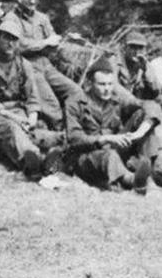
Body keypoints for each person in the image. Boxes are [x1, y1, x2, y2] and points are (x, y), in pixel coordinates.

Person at [0, 14, 63, 179]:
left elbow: (32, 98)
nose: (10, 43)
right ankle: (33, 162)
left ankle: (52, 159)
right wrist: (15, 118)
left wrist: (31, 117)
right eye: (6, 38)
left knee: (37, 131)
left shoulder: (24, 65)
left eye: (15, 39)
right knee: (12, 129)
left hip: (19, 112)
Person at [63, 63, 153, 193]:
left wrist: (139, 133)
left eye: (110, 84)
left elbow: (149, 105)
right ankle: (132, 180)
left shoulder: (117, 101)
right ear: (90, 83)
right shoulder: (74, 103)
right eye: (102, 84)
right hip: (85, 156)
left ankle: (150, 169)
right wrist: (105, 139)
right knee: (109, 156)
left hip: (114, 150)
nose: (107, 89)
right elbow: (75, 138)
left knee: (141, 114)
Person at [9, 0, 84, 120]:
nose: (33, 2)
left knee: (75, 91)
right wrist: (44, 43)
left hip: (46, 64)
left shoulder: (42, 18)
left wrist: (66, 39)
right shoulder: (11, 18)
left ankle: (72, 127)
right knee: (51, 105)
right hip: (26, 67)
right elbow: (17, 45)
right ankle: (56, 135)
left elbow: (53, 41)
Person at [111, 31, 161, 103]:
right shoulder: (115, 61)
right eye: (133, 47)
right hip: (122, 101)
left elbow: (157, 89)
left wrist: (146, 70)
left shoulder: (144, 62)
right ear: (125, 47)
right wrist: (133, 100)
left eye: (140, 48)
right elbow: (113, 85)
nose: (137, 51)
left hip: (140, 100)